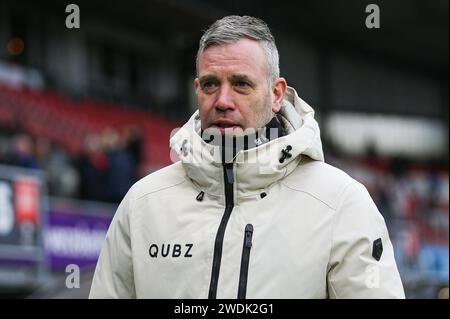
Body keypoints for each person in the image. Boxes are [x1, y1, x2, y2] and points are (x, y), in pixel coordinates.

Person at [89, 15, 405, 299]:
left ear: (277, 95)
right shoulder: (143, 204)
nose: (223, 100)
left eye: (241, 84)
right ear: (197, 89)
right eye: (211, 84)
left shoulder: (340, 203)